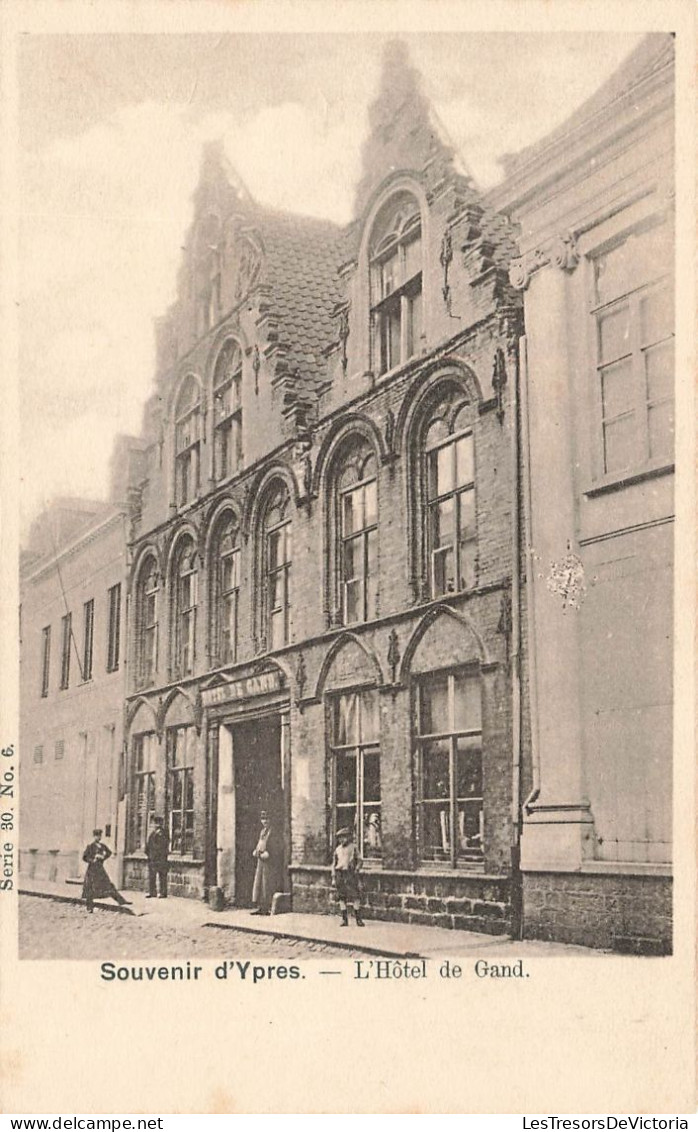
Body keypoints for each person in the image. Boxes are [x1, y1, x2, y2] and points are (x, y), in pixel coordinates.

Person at [82, 830, 131, 913]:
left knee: (108, 885)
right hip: (92, 870)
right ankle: (89, 907)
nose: (98, 837)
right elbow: (84, 857)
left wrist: (103, 857)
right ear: (94, 837)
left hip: (100, 869)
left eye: (100, 836)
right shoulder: (90, 846)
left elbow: (109, 853)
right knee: (90, 888)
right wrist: (92, 860)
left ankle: (121, 901)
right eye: (97, 836)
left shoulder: (102, 846)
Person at [332, 827, 364, 927]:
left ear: (348, 837)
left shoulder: (353, 847)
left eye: (344, 837)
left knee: (355, 896)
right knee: (341, 897)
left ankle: (358, 919)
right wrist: (333, 877)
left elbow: (360, 860)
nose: (342, 840)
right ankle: (344, 919)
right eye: (340, 838)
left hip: (350, 874)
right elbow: (334, 864)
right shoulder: (337, 849)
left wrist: (357, 868)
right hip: (340, 874)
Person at [251, 811, 274, 915]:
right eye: (263, 819)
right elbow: (260, 843)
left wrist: (269, 853)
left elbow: (275, 846)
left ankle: (268, 907)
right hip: (261, 860)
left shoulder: (273, 832)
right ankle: (260, 906)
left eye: (267, 819)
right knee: (259, 882)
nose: (265, 821)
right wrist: (256, 850)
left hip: (269, 862)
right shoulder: (262, 831)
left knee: (267, 883)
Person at [145, 816, 169, 899]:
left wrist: (158, 855)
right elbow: (148, 845)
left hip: (160, 858)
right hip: (152, 858)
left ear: (161, 824)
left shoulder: (163, 833)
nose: (156, 825)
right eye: (155, 823)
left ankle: (163, 893)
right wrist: (149, 855)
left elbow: (163, 846)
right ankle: (152, 892)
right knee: (152, 875)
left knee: (162, 876)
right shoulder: (152, 833)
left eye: (158, 823)